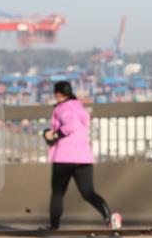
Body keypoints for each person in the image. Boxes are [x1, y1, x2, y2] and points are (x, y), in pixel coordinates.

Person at [43, 81, 121, 230]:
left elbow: (70, 125)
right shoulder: (79, 107)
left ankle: (54, 227)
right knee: (88, 193)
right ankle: (109, 218)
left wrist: (54, 134)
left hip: (63, 159)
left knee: (58, 194)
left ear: (58, 94)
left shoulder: (62, 108)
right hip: (83, 158)